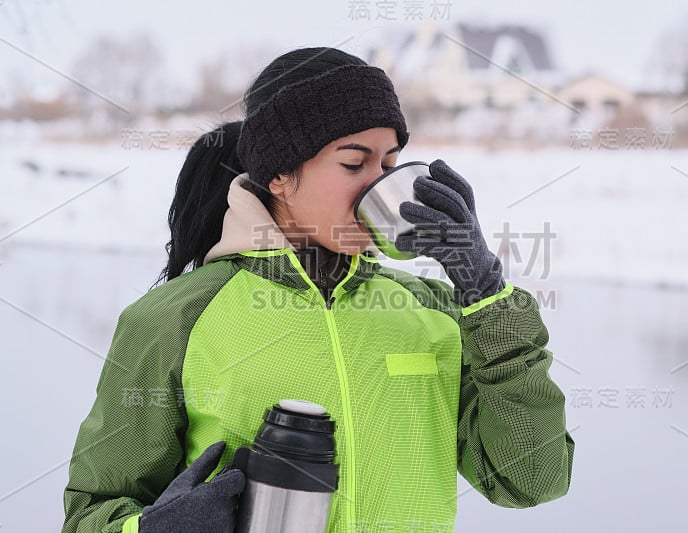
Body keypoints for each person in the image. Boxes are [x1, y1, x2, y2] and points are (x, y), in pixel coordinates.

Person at [62, 47, 575, 533]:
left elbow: (532, 480)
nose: (379, 184)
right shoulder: (176, 317)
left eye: (390, 164)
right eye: (354, 163)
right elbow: (91, 513)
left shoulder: (432, 309)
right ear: (281, 175)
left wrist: (487, 294)